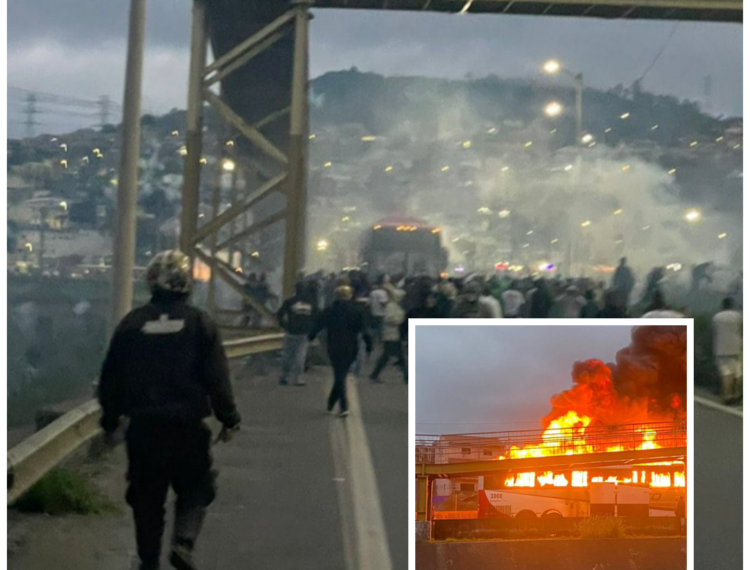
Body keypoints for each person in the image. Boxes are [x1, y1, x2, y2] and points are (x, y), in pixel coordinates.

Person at [98, 250, 241, 570]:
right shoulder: (200, 323)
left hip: (144, 429)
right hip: (188, 427)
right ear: (187, 284)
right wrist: (229, 418)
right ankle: (183, 542)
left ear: (151, 282)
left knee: (146, 499)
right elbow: (217, 377)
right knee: (196, 487)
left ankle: (148, 560)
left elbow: (111, 380)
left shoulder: (131, 324)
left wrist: (110, 421)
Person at [309, 285, 372, 417]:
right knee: (341, 374)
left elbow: (318, 325)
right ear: (349, 296)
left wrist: (311, 337)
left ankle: (333, 403)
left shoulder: (330, 310)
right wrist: (369, 346)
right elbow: (364, 330)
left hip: (333, 345)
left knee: (339, 374)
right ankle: (342, 406)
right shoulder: (356, 311)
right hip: (351, 346)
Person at [276, 281, 317, 386]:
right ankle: (293, 377)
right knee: (296, 357)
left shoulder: (290, 301)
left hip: (295, 333)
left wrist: (284, 325)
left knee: (291, 357)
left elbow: (279, 314)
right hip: (299, 333)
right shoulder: (311, 302)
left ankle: (289, 377)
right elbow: (317, 317)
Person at [370, 285, 407, 383]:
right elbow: (388, 319)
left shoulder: (395, 306)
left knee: (390, 356)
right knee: (391, 356)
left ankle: (407, 376)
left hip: (393, 334)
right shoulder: (391, 306)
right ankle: (407, 376)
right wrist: (399, 320)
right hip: (391, 335)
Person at [712, 297, 743, 405]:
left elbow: (714, 331)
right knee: (737, 371)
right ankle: (737, 393)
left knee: (726, 373)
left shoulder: (717, 317)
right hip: (736, 345)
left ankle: (727, 395)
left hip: (721, 347)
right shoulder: (738, 316)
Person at [370, 278, 389, 343]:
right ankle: (381, 341)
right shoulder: (383, 293)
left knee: (376, 328)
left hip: (374, 312)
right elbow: (383, 303)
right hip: (382, 313)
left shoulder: (372, 292)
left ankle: (375, 341)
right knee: (382, 328)